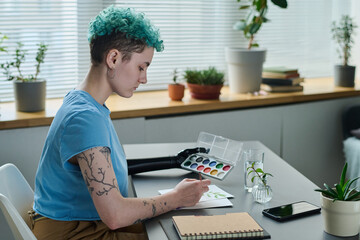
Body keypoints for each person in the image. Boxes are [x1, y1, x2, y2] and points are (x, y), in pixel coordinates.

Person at [30, 5, 211, 240]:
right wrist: (176, 197)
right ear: (113, 58)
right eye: (141, 67)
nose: (144, 78)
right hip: (74, 233)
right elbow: (115, 215)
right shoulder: (84, 118)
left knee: (179, 226)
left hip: (86, 223)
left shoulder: (86, 104)